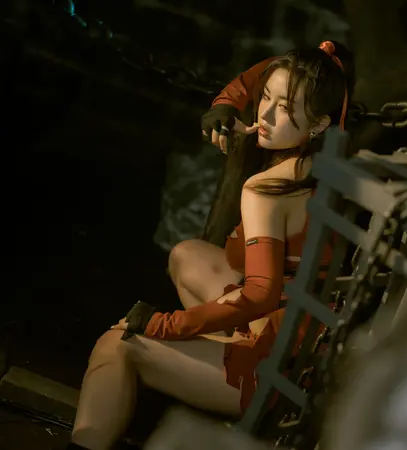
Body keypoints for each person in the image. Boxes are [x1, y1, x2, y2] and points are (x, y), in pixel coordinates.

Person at [65, 40, 354, 450]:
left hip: (277, 369)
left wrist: (168, 325)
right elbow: (275, 74)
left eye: (285, 108)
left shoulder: (267, 189)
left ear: (319, 123)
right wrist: (229, 102)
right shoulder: (320, 163)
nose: (265, 115)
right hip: (306, 331)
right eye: (266, 98)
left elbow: (260, 293)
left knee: (118, 345)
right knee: (189, 255)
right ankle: (194, 368)